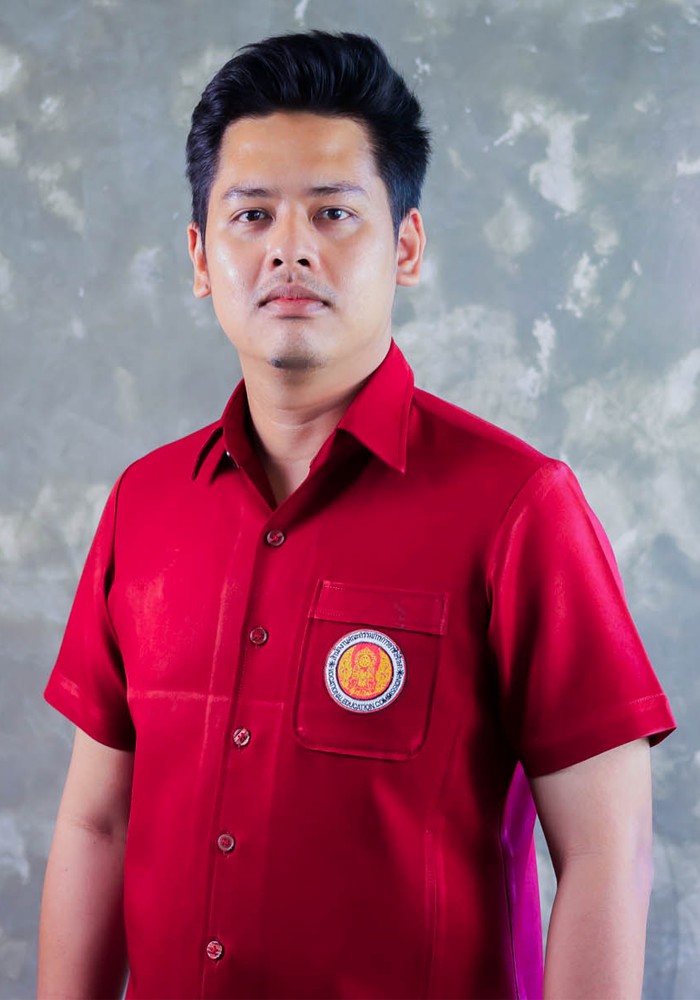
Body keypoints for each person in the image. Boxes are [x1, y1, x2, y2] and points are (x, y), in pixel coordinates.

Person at [38, 30, 676, 1000]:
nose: (289, 247)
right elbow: (99, 824)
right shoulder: (145, 506)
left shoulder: (519, 509)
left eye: (333, 213)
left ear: (406, 246)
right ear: (201, 258)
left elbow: (606, 848)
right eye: (251, 215)